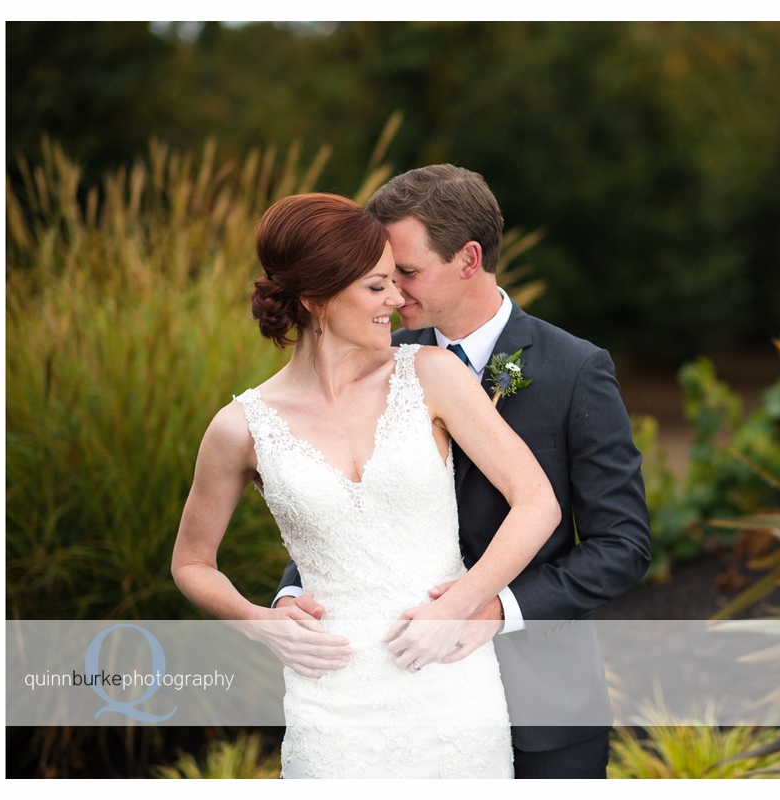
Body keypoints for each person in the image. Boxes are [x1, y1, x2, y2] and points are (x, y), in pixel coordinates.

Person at [271, 165, 653, 778]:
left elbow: (623, 545)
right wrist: (296, 592)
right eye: (381, 275)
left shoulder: (575, 369)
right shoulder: (380, 365)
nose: (391, 291)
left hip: (542, 702)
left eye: (408, 272)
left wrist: (496, 607)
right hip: (403, 695)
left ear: (469, 258)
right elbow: (348, 502)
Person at [171, 192, 561, 778]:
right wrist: (258, 623)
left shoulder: (432, 375)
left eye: (395, 282)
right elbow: (192, 563)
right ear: (316, 301)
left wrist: (458, 606)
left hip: (451, 687)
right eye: (377, 287)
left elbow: (537, 503)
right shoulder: (240, 428)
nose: (398, 299)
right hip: (330, 698)